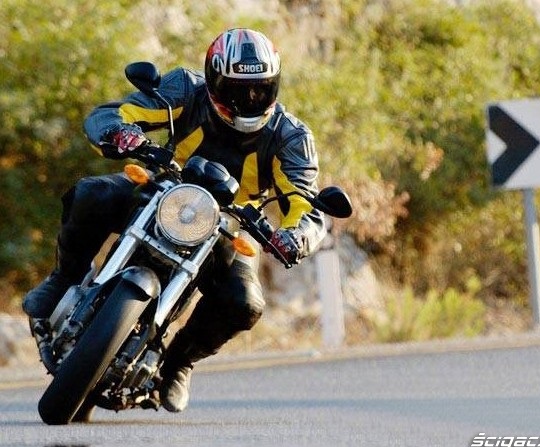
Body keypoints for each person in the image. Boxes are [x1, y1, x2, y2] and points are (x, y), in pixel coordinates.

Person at [22, 28, 326, 413]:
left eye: (260, 90)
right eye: (237, 90)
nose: (249, 100)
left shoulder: (291, 136)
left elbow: (305, 203)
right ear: (213, 79)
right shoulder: (185, 88)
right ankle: (63, 279)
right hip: (163, 188)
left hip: (230, 226)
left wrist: (295, 236)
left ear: (275, 84)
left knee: (244, 302)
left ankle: (179, 363)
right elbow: (116, 112)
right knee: (91, 194)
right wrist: (120, 133)